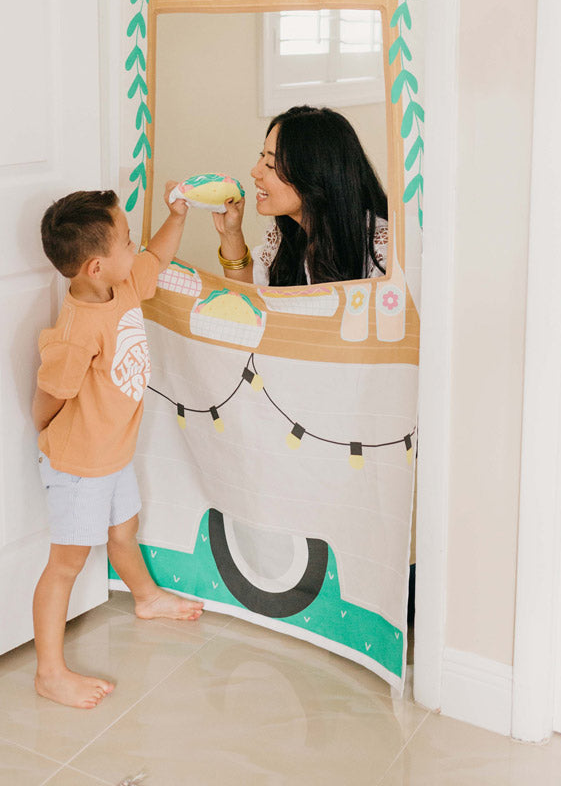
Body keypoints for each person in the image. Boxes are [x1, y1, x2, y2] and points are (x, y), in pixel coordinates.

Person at [32, 186, 203, 710]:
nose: (136, 248)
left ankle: (146, 598)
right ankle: (50, 672)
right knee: (67, 562)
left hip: (114, 452)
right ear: (95, 267)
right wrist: (52, 433)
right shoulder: (76, 331)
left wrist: (177, 216)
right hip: (80, 462)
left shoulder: (122, 285)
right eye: (127, 240)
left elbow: (157, 256)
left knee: (124, 529)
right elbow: (48, 400)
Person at [213, 105, 388, 285]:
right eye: (262, 155)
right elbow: (254, 293)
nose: (255, 171)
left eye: (271, 164)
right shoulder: (291, 232)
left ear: (314, 176)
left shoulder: (381, 252)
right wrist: (230, 233)